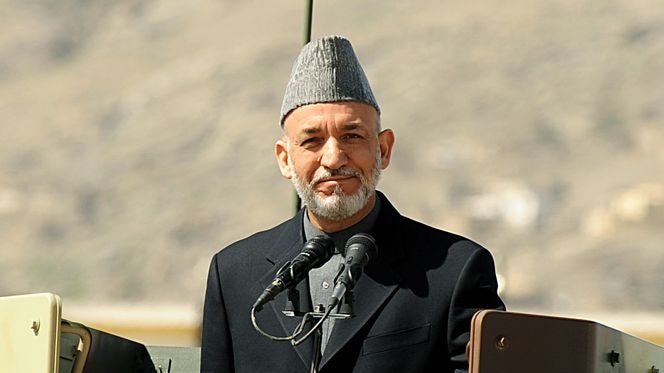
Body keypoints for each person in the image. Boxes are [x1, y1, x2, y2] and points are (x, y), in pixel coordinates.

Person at [201, 35, 505, 373]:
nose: (333, 158)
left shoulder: (454, 270)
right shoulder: (233, 273)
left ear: (384, 149)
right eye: (312, 140)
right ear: (285, 159)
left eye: (352, 136)